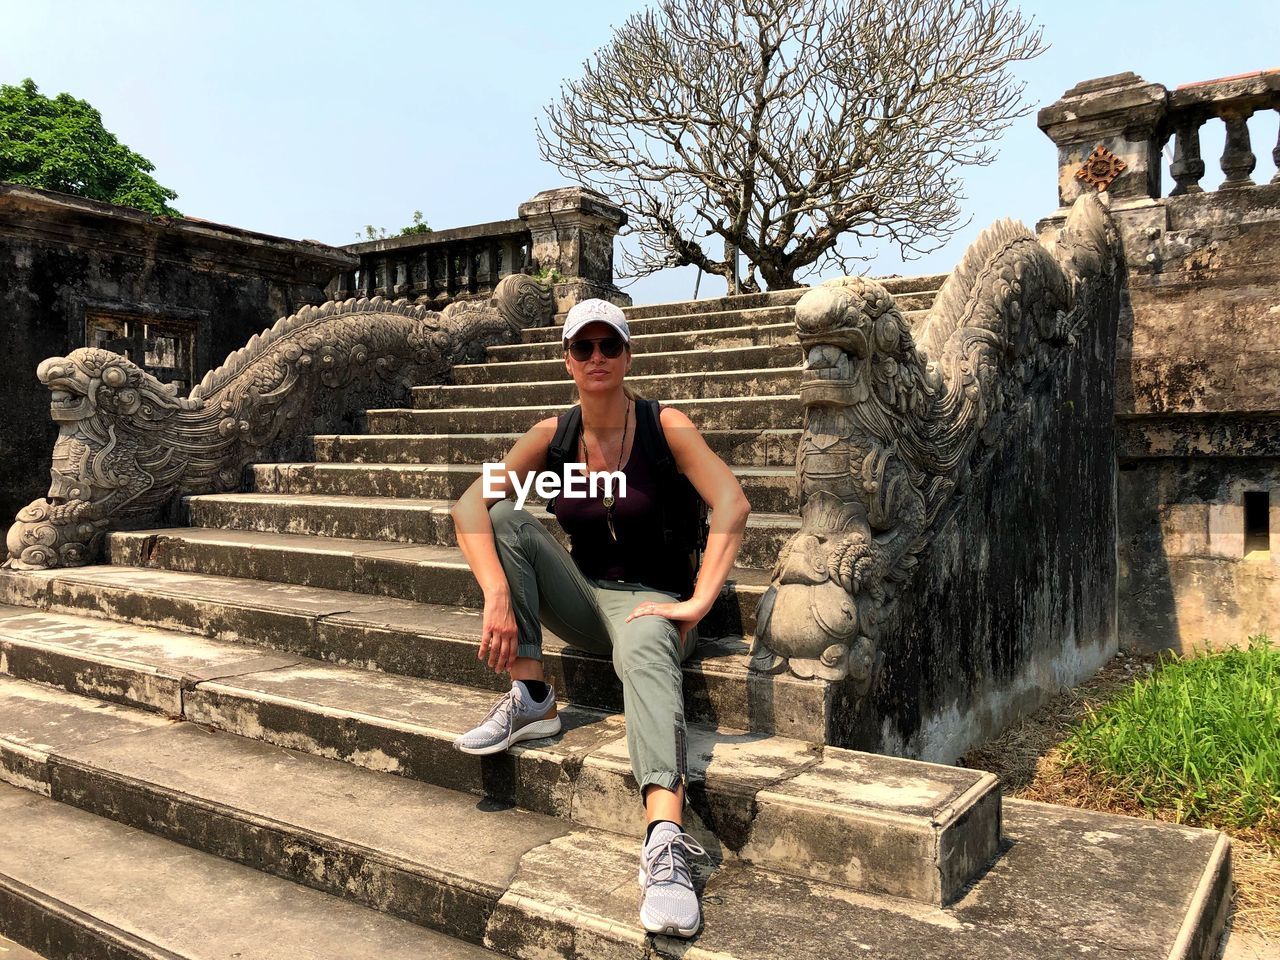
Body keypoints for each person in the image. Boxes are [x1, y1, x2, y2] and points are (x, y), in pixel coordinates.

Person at [448, 298, 751, 938]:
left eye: (608, 346)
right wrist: (496, 594)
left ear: (627, 354)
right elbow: (469, 506)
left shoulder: (666, 425)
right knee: (506, 516)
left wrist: (695, 603)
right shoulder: (550, 435)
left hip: (654, 604)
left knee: (643, 642)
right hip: (586, 597)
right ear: (566, 360)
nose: (595, 358)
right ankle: (531, 695)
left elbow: (732, 502)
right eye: (582, 348)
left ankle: (666, 842)